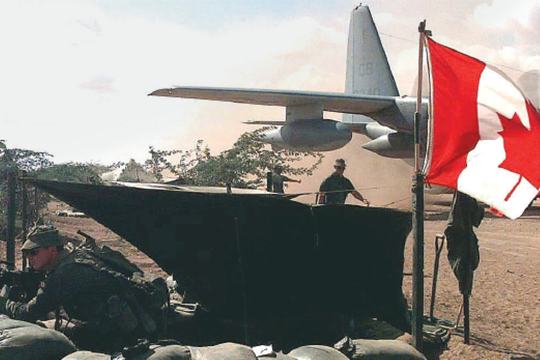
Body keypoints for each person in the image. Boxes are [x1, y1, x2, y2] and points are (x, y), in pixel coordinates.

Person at [0, 225, 151, 353]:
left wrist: (3, 302)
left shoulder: (65, 275)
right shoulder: (74, 257)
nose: (29, 257)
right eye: (26, 253)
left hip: (113, 337)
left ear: (52, 250)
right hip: (116, 326)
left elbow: (27, 313)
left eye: (34, 252)